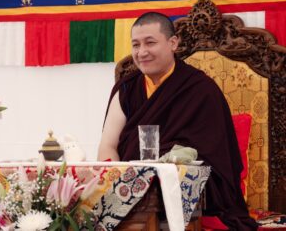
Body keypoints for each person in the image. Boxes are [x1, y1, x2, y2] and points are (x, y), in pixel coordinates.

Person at [98, 12, 258, 230]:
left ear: (173, 43)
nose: (141, 52)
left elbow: (216, 158)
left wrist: (166, 171)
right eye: (136, 45)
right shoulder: (127, 88)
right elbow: (108, 145)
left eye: (150, 43)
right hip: (131, 189)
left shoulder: (200, 89)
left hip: (186, 190)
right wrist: (121, 183)